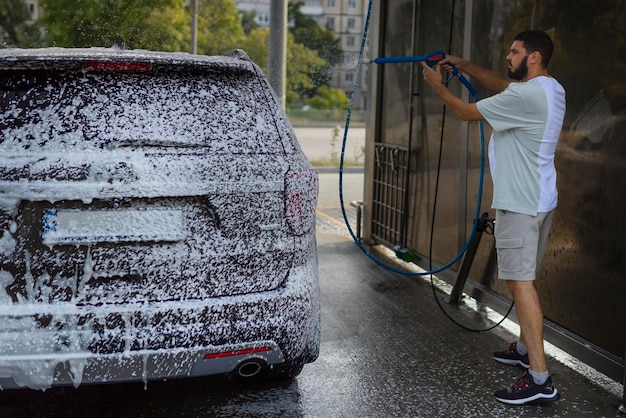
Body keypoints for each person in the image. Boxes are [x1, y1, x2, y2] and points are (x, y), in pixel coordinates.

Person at [421, 30, 565, 405]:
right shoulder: (550, 89)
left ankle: (539, 378)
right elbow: (504, 85)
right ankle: (522, 349)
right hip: (540, 198)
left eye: (514, 52)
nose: (508, 56)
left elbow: (467, 112)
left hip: (520, 203)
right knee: (525, 279)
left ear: (533, 57)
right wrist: (465, 65)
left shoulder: (525, 94)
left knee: (521, 284)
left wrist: (437, 85)